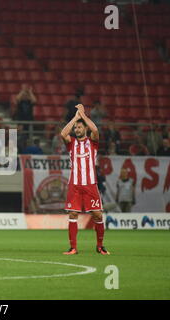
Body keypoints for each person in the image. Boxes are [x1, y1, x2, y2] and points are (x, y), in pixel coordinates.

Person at [60, 104, 110, 255]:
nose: (77, 130)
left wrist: (84, 115)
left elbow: (95, 130)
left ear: (85, 129)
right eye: (76, 128)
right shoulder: (72, 144)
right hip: (74, 185)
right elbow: (63, 134)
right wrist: (76, 117)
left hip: (90, 185)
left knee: (97, 215)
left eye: (79, 127)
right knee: (73, 215)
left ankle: (100, 246)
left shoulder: (93, 142)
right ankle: (73, 247)